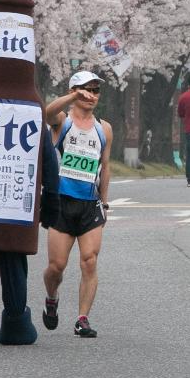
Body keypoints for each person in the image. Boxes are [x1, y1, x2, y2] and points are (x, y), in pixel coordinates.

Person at [42, 71, 114, 339]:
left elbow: (105, 168)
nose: (91, 95)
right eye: (86, 90)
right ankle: (52, 297)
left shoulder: (103, 128)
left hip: (89, 205)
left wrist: (104, 204)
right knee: (56, 267)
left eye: (96, 91)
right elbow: (47, 112)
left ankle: (82, 318)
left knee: (89, 261)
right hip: (61, 203)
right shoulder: (63, 121)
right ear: (74, 91)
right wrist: (73, 96)